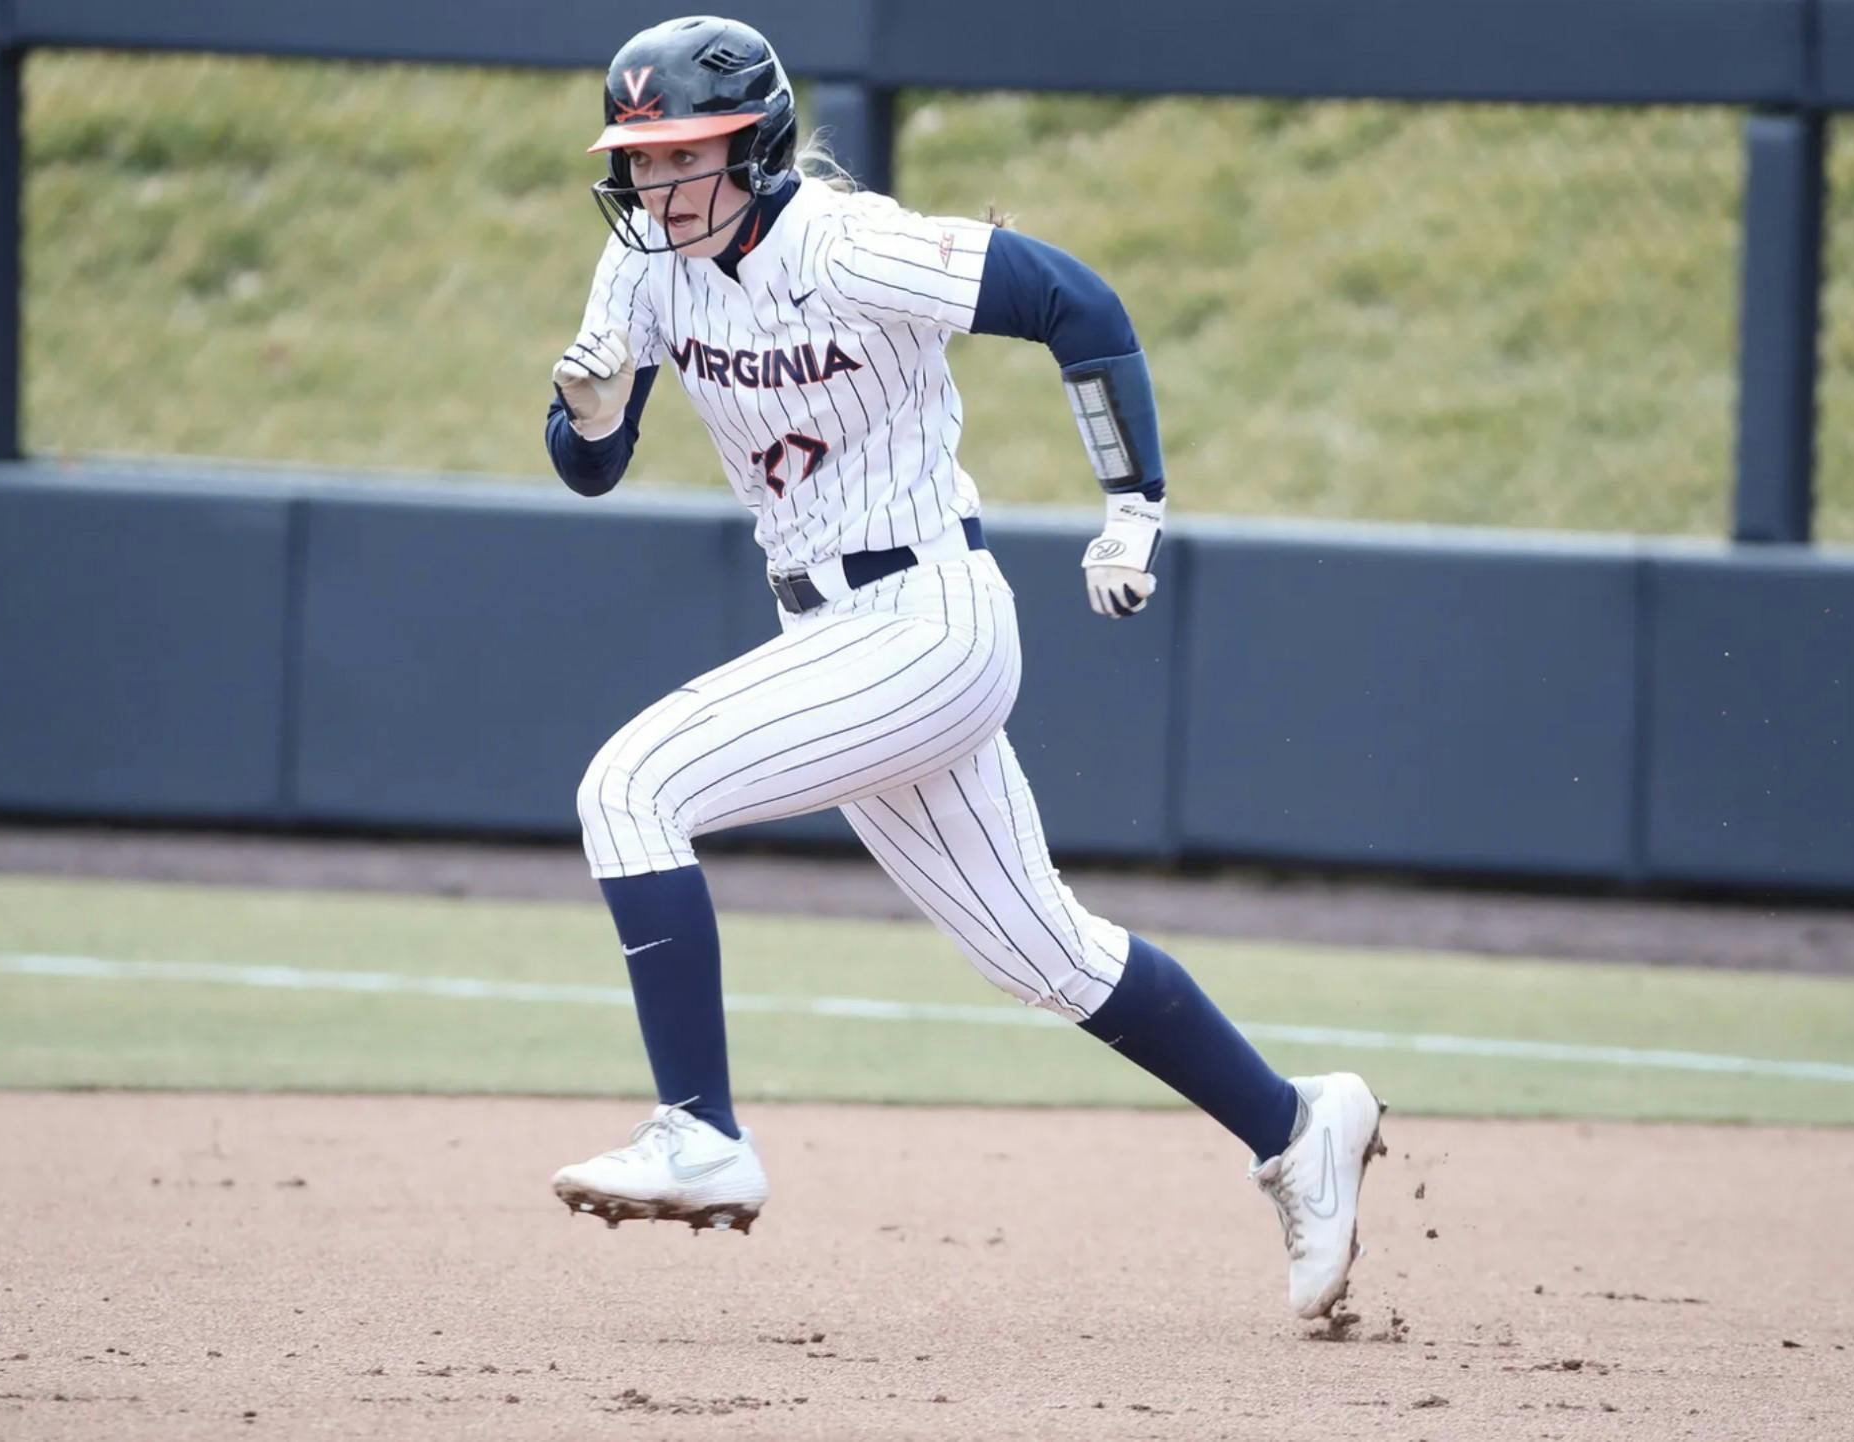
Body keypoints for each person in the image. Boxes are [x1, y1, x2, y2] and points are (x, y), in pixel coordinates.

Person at [544, 14, 1385, 1321]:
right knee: (1045, 953)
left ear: (759, 143)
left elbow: (1075, 303)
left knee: (628, 786)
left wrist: (1133, 501)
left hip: (927, 617)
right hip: (828, 634)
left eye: (684, 154)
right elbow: (591, 463)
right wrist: (586, 419)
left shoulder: (844, 240)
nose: (658, 187)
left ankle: (699, 1126)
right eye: (640, 161)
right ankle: (1296, 1123)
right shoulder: (646, 268)